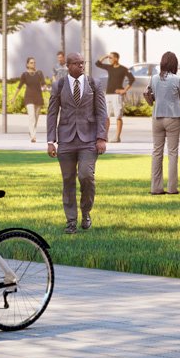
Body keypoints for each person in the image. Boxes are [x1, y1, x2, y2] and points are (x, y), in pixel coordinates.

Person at [48, 53, 109, 234]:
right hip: (65, 140)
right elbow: (52, 114)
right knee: (68, 181)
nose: (81, 66)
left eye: (83, 63)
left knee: (86, 176)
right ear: (68, 66)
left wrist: (101, 138)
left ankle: (86, 212)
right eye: (77, 63)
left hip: (89, 140)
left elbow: (101, 113)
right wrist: (51, 141)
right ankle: (71, 221)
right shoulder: (58, 85)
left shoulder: (93, 84)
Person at [147, 51, 180, 194]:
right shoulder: (177, 79)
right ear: (174, 64)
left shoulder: (154, 78)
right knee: (173, 153)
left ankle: (155, 188)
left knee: (157, 152)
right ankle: (172, 188)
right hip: (173, 117)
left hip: (157, 117)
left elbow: (153, 96)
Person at [96, 52, 133, 144]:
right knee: (106, 116)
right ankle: (105, 136)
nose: (109, 60)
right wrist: (105, 56)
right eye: (109, 58)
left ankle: (117, 137)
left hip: (117, 96)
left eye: (111, 58)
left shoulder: (123, 69)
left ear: (116, 58)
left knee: (118, 116)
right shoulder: (109, 67)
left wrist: (124, 90)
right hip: (108, 94)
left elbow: (132, 79)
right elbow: (97, 63)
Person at [18, 56, 47, 145]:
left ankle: (31, 131)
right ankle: (33, 136)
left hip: (38, 97)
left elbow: (43, 84)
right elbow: (19, 87)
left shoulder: (39, 73)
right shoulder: (24, 75)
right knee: (32, 117)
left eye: (34, 62)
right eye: (31, 62)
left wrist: (45, 87)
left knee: (36, 117)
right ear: (27, 64)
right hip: (28, 98)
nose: (33, 64)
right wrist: (13, 98)